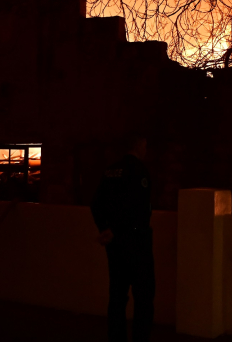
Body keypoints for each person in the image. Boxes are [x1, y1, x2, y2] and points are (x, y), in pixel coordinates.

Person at [91, 135, 155, 342]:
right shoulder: (138, 171)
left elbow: (96, 204)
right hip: (137, 242)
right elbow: (140, 210)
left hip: (115, 245)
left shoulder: (110, 171)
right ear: (138, 145)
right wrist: (118, 230)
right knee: (143, 297)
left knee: (117, 297)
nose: (146, 149)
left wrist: (106, 229)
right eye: (145, 144)